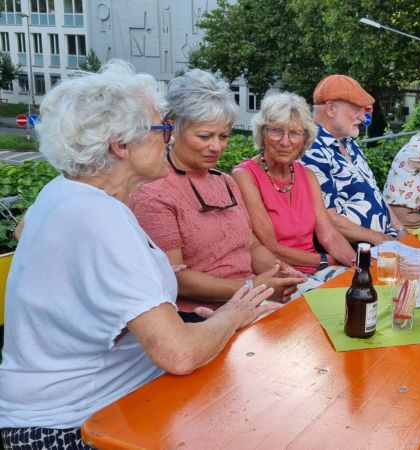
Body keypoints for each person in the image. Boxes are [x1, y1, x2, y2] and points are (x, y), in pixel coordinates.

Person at [0, 60, 278, 448]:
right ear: (120, 144)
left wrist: (203, 328)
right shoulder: (99, 217)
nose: (168, 139)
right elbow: (178, 355)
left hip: (82, 406)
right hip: (76, 426)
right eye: (163, 128)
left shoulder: (65, 192)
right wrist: (233, 315)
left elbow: (61, 272)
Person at [132, 69, 305, 322]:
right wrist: (253, 286)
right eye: (205, 136)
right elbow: (175, 278)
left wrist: (278, 273)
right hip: (199, 317)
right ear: (172, 128)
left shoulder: (226, 181)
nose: (217, 146)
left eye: (224, 136)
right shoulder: (154, 191)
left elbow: (252, 246)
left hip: (251, 301)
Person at [232, 92, 355, 287]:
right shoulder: (244, 176)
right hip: (279, 273)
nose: (285, 142)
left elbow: (328, 234)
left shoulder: (307, 175)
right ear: (262, 133)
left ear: (305, 139)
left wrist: (359, 266)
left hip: (318, 270)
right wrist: (325, 261)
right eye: (276, 131)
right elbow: (271, 246)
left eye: (295, 133)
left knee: (361, 287)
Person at [301, 74, 404, 245]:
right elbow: (328, 219)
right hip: (356, 252)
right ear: (330, 109)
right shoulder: (312, 150)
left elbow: (375, 192)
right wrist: (381, 240)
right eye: (356, 109)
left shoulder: (349, 143)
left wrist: (400, 229)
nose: (364, 118)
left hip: (386, 242)